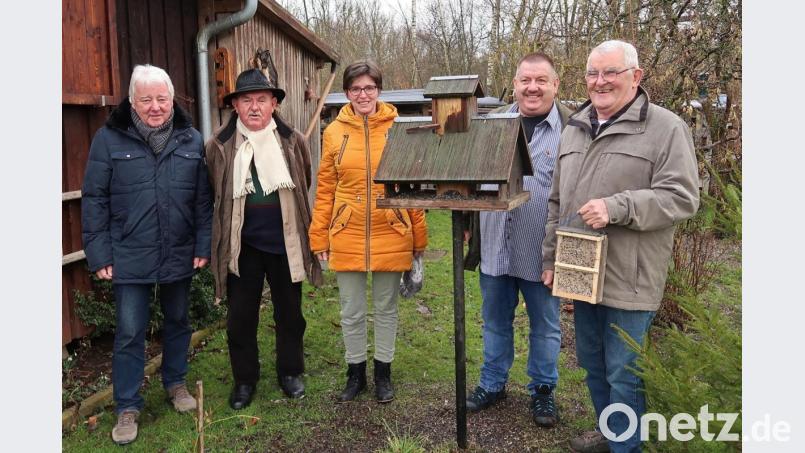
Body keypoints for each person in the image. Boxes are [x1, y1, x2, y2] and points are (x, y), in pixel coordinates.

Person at [541, 40, 700, 453]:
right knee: (592, 365)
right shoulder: (574, 126)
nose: (600, 81)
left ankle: (627, 447)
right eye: (593, 73)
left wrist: (619, 207)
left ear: (636, 76)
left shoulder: (665, 128)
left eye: (610, 72)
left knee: (624, 373)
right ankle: (610, 433)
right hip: (579, 267)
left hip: (631, 275)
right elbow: (557, 201)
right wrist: (551, 257)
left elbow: (683, 197)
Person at [81, 64, 212, 445]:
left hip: (179, 251)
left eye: (162, 98)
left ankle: (176, 384)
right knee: (129, 332)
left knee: (178, 321)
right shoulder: (108, 139)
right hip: (128, 253)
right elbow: (94, 199)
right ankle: (127, 405)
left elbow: (203, 201)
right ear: (132, 101)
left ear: (173, 99)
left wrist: (202, 245)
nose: (155, 107)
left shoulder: (190, 139)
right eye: (146, 99)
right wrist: (99, 252)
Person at [309, 60, 428, 403]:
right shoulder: (333, 132)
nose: (363, 94)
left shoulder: (399, 128)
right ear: (347, 92)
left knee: (386, 307)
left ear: (379, 90)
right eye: (356, 88)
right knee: (351, 310)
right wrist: (319, 236)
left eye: (369, 88)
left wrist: (418, 238)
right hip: (347, 232)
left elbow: (412, 189)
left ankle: (383, 373)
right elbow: (325, 190)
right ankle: (355, 372)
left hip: (391, 229)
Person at [463, 52, 571, 427]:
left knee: (546, 325)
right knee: (494, 322)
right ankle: (492, 384)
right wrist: (466, 222)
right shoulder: (492, 123)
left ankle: (542, 391)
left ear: (556, 85)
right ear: (515, 84)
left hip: (543, 252)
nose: (532, 87)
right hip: (495, 247)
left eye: (541, 80)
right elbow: (470, 177)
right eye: (526, 80)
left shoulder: (573, 129)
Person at [206, 67, 322, 410]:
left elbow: (305, 181)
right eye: (246, 100)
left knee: (290, 314)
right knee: (240, 318)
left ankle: (290, 372)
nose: (254, 107)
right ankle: (244, 380)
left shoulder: (293, 140)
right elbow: (215, 189)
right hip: (243, 247)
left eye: (261, 99)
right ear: (236, 106)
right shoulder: (220, 145)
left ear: (274, 104)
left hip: (285, 244)